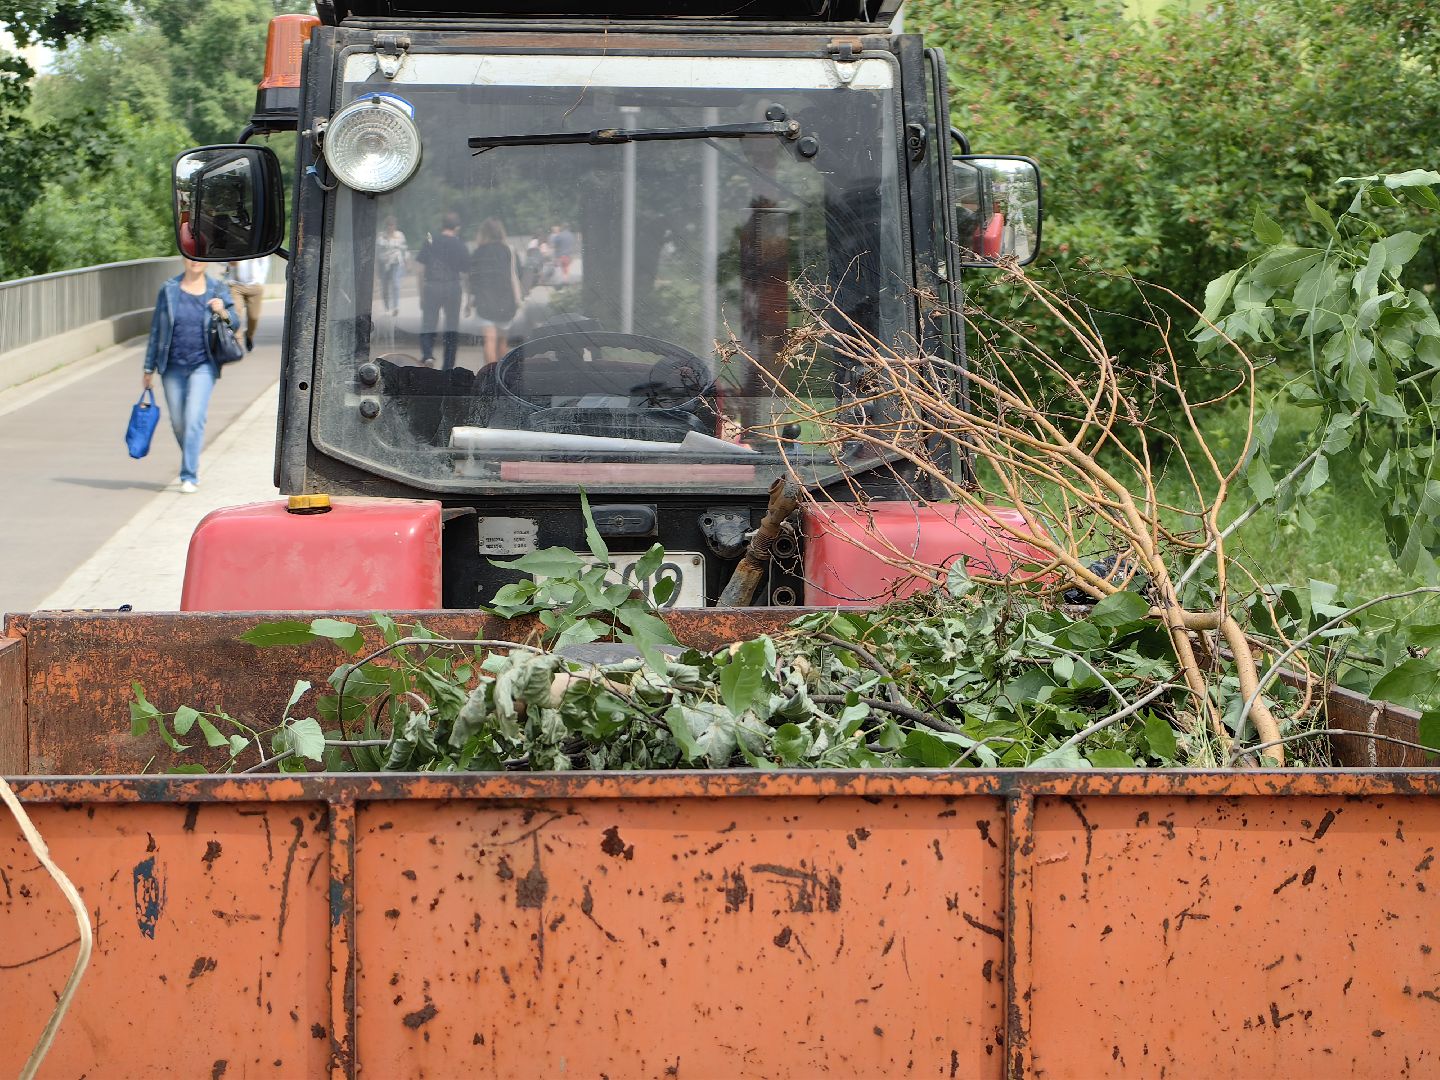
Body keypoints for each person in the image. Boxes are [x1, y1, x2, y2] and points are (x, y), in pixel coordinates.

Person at [142, 258, 239, 493]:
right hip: (171, 365)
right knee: (178, 422)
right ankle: (191, 457)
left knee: (194, 418)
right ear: (183, 259)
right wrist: (148, 368)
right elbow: (157, 329)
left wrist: (223, 311)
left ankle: (189, 474)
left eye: (199, 257)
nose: (194, 262)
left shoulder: (217, 289)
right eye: (190, 256)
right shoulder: (169, 289)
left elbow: (235, 322)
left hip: (203, 364)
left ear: (205, 261)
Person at [416, 212, 470, 369]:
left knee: (428, 323)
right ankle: (447, 367)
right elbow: (466, 273)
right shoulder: (460, 244)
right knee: (452, 327)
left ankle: (427, 355)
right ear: (457, 227)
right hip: (453, 287)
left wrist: (421, 293)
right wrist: (468, 300)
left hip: (432, 286)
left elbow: (420, 269)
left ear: (443, 225)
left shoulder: (431, 241)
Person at [468, 218, 522, 367]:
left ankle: (491, 378)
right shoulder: (509, 250)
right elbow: (514, 276)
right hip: (505, 301)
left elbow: (473, 279)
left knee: (489, 340)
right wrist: (518, 300)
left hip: (484, 301)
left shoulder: (477, 252)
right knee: (502, 341)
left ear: (483, 233)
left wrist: (469, 301)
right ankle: (502, 377)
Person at [226, 256, 269, 352]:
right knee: (235, 314)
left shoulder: (257, 244)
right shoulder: (234, 243)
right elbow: (219, 260)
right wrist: (228, 262)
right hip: (235, 285)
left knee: (254, 317)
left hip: (255, 286)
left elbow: (265, 262)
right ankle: (238, 343)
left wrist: (261, 281)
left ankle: (249, 336)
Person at [376, 216, 408, 317]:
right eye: (389, 225)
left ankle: (396, 307)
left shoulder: (400, 235)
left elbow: (404, 249)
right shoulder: (381, 237)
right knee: (385, 286)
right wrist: (378, 265)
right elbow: (378, 253)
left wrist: (407, 261)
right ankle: (387, 307)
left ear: (395, 226)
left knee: (395, 282)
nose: (391, 227)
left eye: (392, 225)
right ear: (387, 226)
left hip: (397, 263)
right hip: (384, 264)